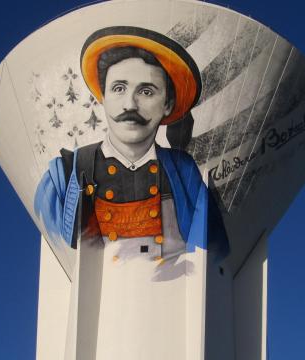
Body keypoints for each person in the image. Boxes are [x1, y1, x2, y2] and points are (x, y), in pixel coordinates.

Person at [34, 26, 229, 359]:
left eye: (147, 91)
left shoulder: (184, 174)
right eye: (119, 88)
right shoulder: (65, 173)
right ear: (103, 97)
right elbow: (57, 243)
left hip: (178, 312)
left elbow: (214, 250)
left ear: (167, 104)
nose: (130, 103)